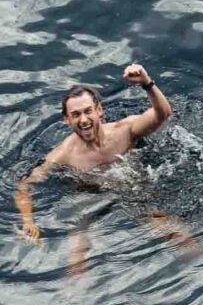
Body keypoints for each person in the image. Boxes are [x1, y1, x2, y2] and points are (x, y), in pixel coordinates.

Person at [16, 63, 176, 275]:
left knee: (176, 234)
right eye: (75, 114)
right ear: (66, 119)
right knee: (76, 257)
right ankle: (73, 293)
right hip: (90, 198)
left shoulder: (124, 131)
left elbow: (162, 113)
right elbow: (24, 185)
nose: (83, 120)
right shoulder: (63, 154)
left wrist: (147, 83)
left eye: (87, 111)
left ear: (99, 110)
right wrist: (28, 221)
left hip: (134, 193)